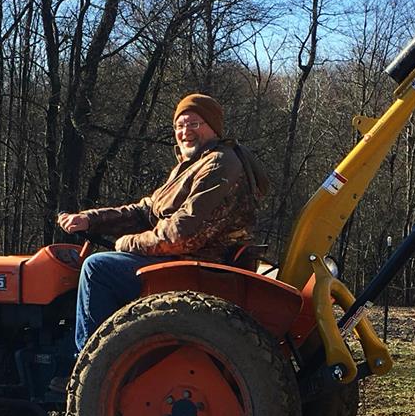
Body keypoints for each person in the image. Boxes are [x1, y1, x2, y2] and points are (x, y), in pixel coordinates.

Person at [50, 93, 268, 384]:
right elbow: (147, 211)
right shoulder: (192, 164)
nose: (185, 131)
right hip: (186, 261)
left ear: (214, 127)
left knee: (97, 268)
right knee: (102, 266)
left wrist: (125, 243)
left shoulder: (219, 164)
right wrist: (91, 219)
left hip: (195, 268)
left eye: (194, 123)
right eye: (180, 125)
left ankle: (88, 374)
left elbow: (181, 234)